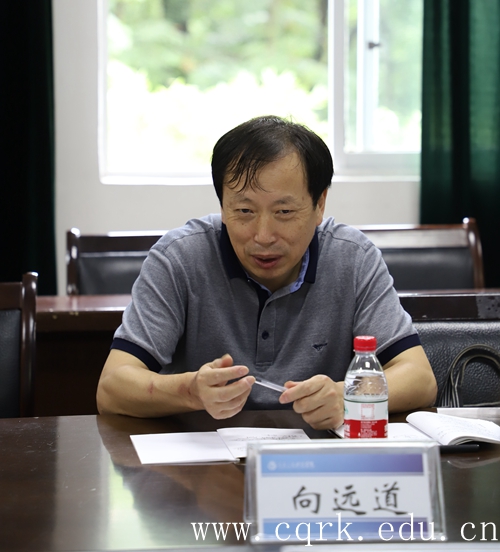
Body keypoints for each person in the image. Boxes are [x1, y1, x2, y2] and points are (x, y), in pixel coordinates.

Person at [97, 115, 437, 429]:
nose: (263, 236)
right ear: (223, 206)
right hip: (201, 465)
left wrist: (347, 395)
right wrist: (190, 391)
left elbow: (419, 378)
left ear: (319, 204)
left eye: (284, 212)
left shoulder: (352, 258)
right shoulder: (179, 258)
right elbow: (112, 388)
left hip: (316, 464)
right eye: (244, 211)